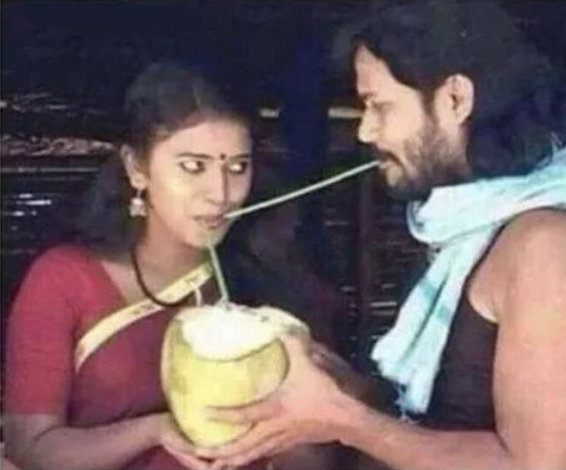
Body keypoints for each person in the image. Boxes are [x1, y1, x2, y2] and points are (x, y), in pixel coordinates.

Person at [192, 1, 566, 469]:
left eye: (378, 105)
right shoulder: (466, 229)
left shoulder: (549, 247)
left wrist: (343, 418)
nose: (366, 131)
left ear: (455, 100)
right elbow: (446, 415)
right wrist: (347, 389)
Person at [2, 61, 345, 470]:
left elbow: (316, 457)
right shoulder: (65, 279)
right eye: (193, 166)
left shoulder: (266, 279)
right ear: (136, 167)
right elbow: (31, 448)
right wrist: (159, 429)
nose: (220, 194)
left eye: (237, 167)